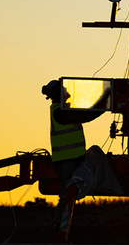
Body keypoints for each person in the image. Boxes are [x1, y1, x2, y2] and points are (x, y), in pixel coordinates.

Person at [41, 79, 104, 233]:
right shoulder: (60, 112)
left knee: (68, 194)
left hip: (71, 159)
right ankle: (58, 230)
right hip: (67, 162)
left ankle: (60, 229)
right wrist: (106, 101)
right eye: (63, 89)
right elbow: (85, 116)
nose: (66, 90)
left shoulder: (63, 110)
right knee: (67, 195)